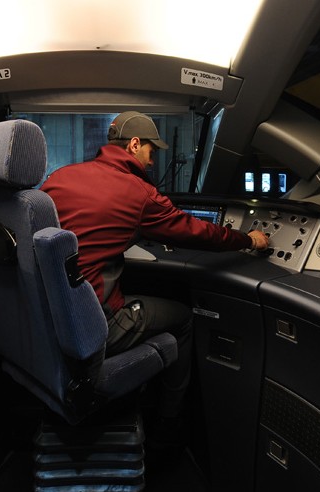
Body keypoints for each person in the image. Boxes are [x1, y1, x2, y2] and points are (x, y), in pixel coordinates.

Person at [40, 111, 270, 428]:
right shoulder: (138, 191)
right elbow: (197, 231)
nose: (151, 162)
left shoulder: (59, 177)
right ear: (134, 144)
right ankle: (169, 418)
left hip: (50, 316)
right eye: (150, 151)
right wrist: (248, 239)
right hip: (97, 322)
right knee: (185, 318)